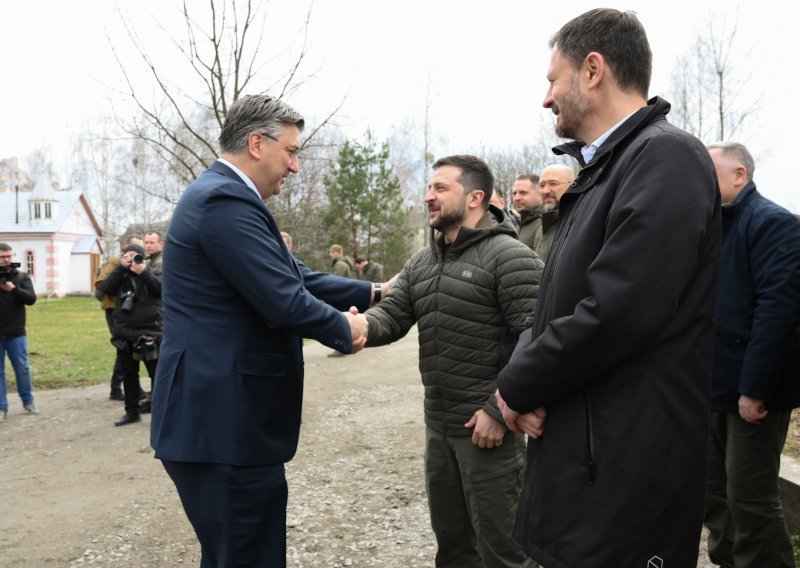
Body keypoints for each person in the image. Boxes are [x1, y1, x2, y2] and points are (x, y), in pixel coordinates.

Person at [494, 8, 722, 567]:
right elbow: (552, 305)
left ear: (592, 70)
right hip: (584, 458)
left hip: (624, 468)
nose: (546, 98)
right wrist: (520, 380)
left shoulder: (665, 157)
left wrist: (514, 387)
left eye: (553, 79)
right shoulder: (600, 173)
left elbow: (617, 310)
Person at [149, 94, 377, 568]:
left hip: (220, 423)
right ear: (257, 143)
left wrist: (376, 290)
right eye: (291, 151)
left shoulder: (224, 197)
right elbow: (283, 299)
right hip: (224, 423)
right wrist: (345, 327)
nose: (294, 167)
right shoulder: (222, 200)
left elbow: (299, 276)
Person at [358, 155, 543, 568]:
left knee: (504, 553)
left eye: (441, 189)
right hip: (439, 430)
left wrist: (499, 408)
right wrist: (354, 328)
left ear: (475, 197)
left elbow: (538, 339)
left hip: (489, 431)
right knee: (454, 548)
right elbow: (392, 314)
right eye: (429, 188)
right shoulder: (423, 261)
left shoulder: (510, 256)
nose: (429, 197)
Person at [703, 141, 800, 568]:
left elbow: (779, 312)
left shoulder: (774, 224)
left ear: (739, 174)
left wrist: (754, 389)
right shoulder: (711, 227)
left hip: (751, 393)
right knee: (713, 492)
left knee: (750, 501)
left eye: (710, 171)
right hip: (710, 387)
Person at [97, 242, 163, 426]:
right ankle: (132, 412)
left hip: (152, 331)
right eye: (128, 256)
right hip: (125, 333)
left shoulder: (154, 272)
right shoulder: (120, 275)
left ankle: (160, 414)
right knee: (129, 375)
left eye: (137, 256)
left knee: (157, 375)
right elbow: (104, 289)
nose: (133, 260)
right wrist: (120, 268)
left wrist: (143, 271)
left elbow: (161, 289)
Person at [95, 235, 144, 401]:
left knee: (130, 349)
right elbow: (101, 284)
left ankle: (129, 388)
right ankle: (116, 388)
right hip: (114, 310)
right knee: (123, 347)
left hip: (128, 311)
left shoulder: (141, 264)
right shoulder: (116, 262)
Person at [0, 242, 39, 422]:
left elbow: (31, 299)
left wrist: (13, 289)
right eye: (2, 257)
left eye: (8, 256)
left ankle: (28, 401)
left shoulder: (21, 276)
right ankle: (2, 406)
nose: (6, 260)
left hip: (16, 332)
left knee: (22, 369)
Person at [532, 164, 575, 263]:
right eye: (542, 185)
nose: (545, 191)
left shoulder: (583, 224)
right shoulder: (541, 230)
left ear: (572, 184)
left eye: (553, 183)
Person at [511, 174, 542, 249]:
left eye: (523, 193)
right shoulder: (518, 225)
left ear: (540, 195)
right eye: (515, 193)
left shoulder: (545, 224)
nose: (516, 198)